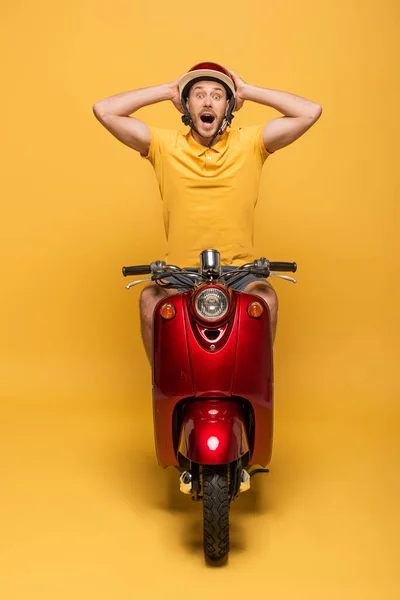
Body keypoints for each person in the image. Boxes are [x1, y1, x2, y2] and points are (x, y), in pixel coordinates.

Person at [93, 62, 322, 363]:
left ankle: (256, 386)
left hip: (240, 272)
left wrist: (248, 91)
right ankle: (162, 383)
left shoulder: (250, 143)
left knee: (266, 299)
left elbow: (310, 111)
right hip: (180, 273)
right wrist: (167, 90)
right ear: (186, 105)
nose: (207, 102)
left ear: (228, 106)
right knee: (149, 300)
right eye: (198, 95)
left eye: (217, 95)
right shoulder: (164, 145)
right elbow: (104, 110)